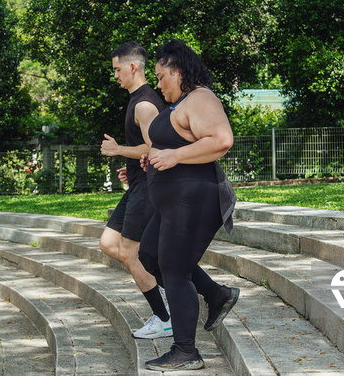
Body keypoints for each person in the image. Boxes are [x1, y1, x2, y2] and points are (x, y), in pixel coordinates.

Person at [138, 39, 239, 372]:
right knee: (150, 256)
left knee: (175, 271)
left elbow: (222, 140)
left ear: (178, 71)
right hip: (175, 201)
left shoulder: (201, 99)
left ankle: (186, 351)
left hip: (195, 199)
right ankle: (216, 294)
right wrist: (153, 158)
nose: (158, 83)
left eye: (161, 76)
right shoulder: (180, 104)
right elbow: (177, 143)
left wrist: (174, 156)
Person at [99, 41, 171, 339]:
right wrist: (128, 160)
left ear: (132, 67)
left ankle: (164, 317)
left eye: (117, 69)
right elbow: (143, 149)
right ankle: (164, 291)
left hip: (149, 187)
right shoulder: (136, 100)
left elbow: (156, 146)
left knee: (130, 251)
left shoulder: (144, 103)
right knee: (108, 243)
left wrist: (118, 150)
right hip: (137, 183)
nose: (115, 75)